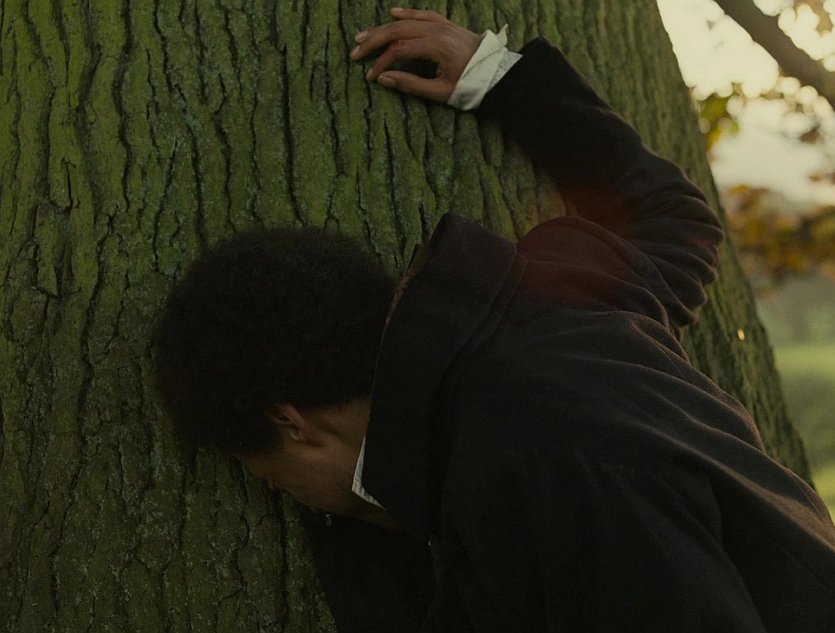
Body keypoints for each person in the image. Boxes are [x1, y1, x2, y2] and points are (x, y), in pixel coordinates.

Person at [153, 7, 835, 632]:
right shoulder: (554, 315)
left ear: (291, 424)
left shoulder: (546, 472)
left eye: (267, 474)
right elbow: (672, 221)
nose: (280, 493)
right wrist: (502, 79)